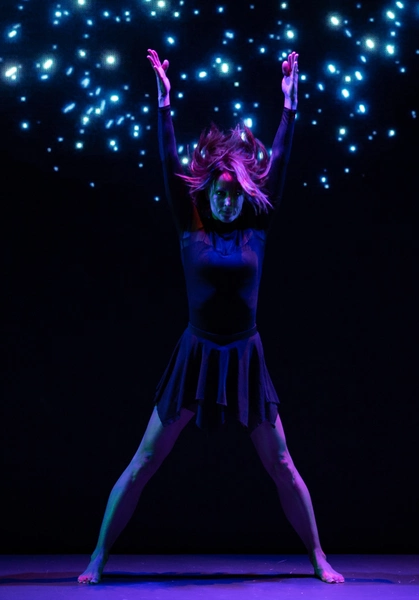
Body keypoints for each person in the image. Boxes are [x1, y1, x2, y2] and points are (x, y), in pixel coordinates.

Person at [77, 48, 344, 585]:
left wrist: (290, 106)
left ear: (243, 194)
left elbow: (284, 163)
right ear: (208, 195)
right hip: (196, 352)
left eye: (233, 195)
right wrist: (164, 103)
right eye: (218, 196)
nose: (225, 203)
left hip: (245, 353)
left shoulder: (257, 230)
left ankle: (318, 557)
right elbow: (164, 160)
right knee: (146, 458)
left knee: (282, 463)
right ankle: (97, 558)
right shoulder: (189, 226)